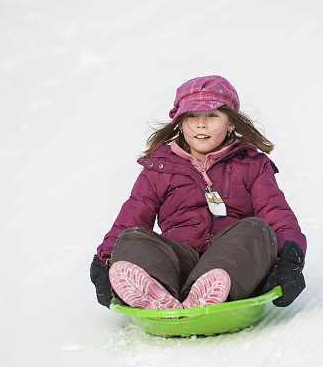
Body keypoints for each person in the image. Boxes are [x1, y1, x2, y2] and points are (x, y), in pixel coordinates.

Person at [90, 75, 306, 311]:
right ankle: (156, 291)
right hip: (179, 261)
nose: (201, 124)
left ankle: (210, 291)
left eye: (212, 115)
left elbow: (276, 214)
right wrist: (105, 261)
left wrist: (289, 259)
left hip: (232, 259)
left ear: (231, 123)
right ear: (180, 123)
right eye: (192, 116)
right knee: (132, 237)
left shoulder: (251, 164)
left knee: (256, 229)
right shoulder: (160, 167)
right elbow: (131, 216)